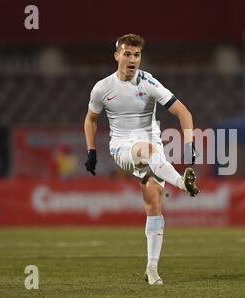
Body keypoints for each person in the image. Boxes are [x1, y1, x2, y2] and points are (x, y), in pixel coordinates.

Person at [83, 34, 199, 285]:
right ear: (117, 56)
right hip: (122, 149)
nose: (132, 59)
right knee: (145, 150)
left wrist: (190, 143)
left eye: (136, 55)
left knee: (154, 204)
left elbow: (183, 112)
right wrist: (91, 151)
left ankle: (152, 268)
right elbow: (90, 119)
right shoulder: (103, 88)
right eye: (127, 54)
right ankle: (182, 184)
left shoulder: (148, 83)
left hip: (153, 150)